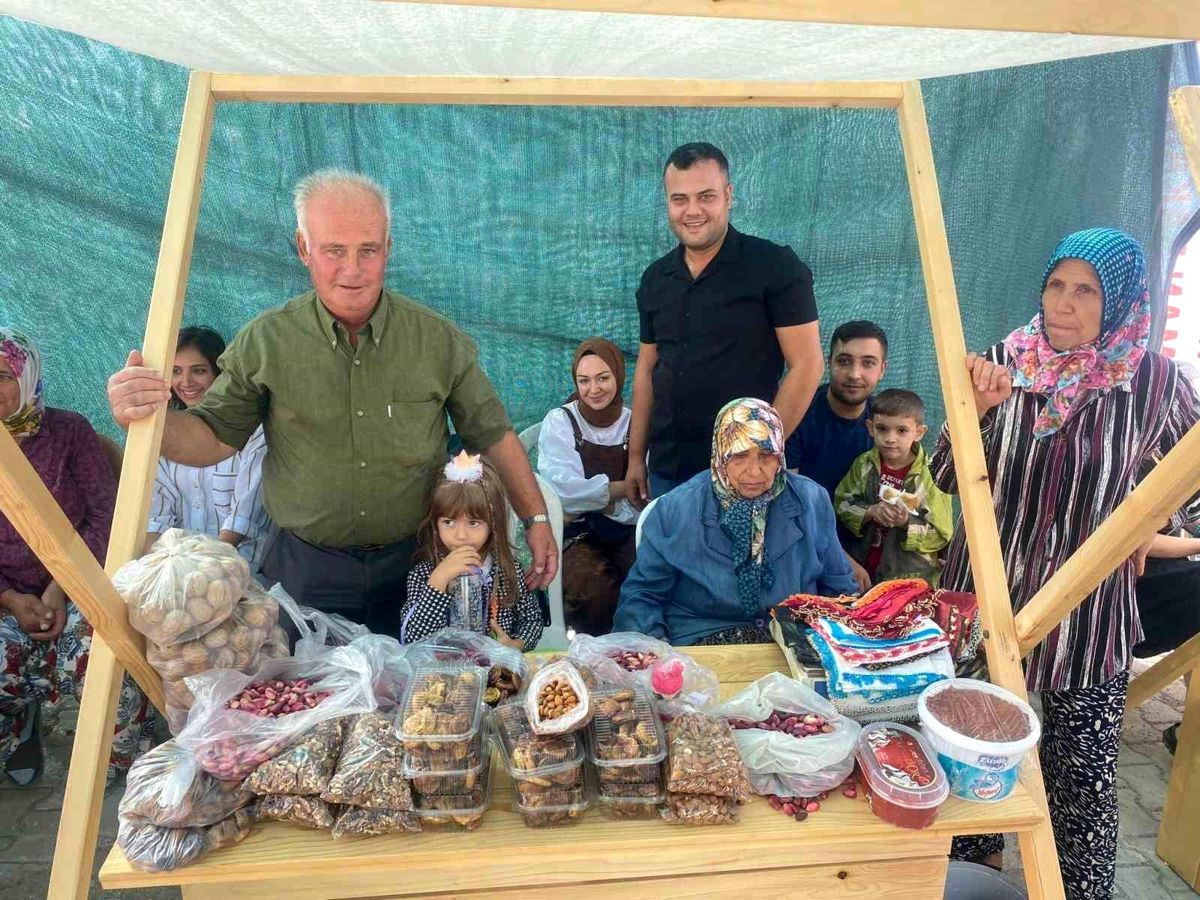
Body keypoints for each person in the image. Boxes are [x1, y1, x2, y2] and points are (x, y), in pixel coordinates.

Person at [107, 170, 557, 634]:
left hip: (421, 568)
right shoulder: (268, 341)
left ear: (389, 248)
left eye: (369, 250)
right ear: (303, 248)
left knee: (425, 697)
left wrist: (537, 519)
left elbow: (493, 434)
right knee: (315, 696)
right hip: (307, 570)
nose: (352, 269)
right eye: (333, 250)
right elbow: (212, 437)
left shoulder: (436, 340)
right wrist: (148, 417)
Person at [930, 229, 1200, 895]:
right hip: (989, 604)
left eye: (1086, 291)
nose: (1064, 304)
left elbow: (1189, 476)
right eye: (1057, 284)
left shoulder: (1154, 383)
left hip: (1089, 616)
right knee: (974, 770)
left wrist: (1154, 521)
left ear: (1121, 302)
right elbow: (942, 474)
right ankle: (973, 883)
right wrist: (982, 413)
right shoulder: (1002, 363)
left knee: (1083, 784)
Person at [625, 143, 824, 503]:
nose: (692, 211)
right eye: (679, 199)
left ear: (728, 195)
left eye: (706, 196)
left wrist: (759, 456)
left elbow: (807, 365)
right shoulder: (655, 278)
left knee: (744, 560)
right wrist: (636, 457)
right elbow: (646, 370)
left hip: (744, 476)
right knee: (672, 560)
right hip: (668, 470)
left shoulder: (775, 268)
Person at [0, 327, 152, 785]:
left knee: (103, 658)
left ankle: (116, 761)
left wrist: (61, 588)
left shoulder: (67, 432)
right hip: (6, 598)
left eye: (4, 375)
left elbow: (108, 515)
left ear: (28, 377)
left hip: (79, 584)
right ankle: (19, 728)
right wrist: (9, 598)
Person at [613, 397, 858, 645]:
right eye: (739, 456)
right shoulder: (676, 509)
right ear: (720, 454)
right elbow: (642, 597)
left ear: (780, 456)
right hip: (702, 642)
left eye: (766, 456)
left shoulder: (811, 501)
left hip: (794, 640)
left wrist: (840, 647)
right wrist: (657, 656)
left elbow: (840, 590)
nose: (754, 471)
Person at [144, 326, 272, 572]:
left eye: (199, 371)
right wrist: (155, 572)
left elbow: (243, 520)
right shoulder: (163, 436)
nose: (186, 382)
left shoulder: (254, 432)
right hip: (181, 570)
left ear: (220, 373)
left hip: (245, 570)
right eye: (176, 371)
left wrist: (206, 573)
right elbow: (156, 519)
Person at [537, 338, 638, 635]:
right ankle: (591, 664)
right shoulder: (561, 421)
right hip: (577, 533)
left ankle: (636, 660)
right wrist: (619, 490)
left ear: (619, 376)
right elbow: (564, 495)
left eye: (603, 378)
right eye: (584, 381)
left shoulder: (636, 422)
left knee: (644, 578)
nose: (593, 390)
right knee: (593, 590)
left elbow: (644, 494)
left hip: (628, 529)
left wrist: (591, 500)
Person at [400, 454, 543, 650]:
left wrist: (515, 644)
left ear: (493, 524)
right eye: (448, 522)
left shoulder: (507, 571)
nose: (461, 535)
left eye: (473, 523)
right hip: (441, 676)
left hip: (495, 673)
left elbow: (532, 620)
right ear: (435, 525)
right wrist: (439, 580)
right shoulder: (423, 575)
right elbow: (412, 639)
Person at [834, 389, 952, 585]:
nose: (890, 438)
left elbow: (941, 535)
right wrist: (870, 511)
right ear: (870, 428)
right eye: (882, 429)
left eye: (901, 430)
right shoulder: (864, 465)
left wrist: (906, 522)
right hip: (862, 571)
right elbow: (840, 504)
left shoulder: (931, 476)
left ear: (919, 432)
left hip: (909, 581)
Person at [785, 320, 889, 498]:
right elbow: (788, 497)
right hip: (807, 521)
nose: (854, 374)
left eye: (868, 363)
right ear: (830, 362)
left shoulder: (888, 422)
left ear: (882, 370)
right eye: (844, 361)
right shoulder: (798, 414)